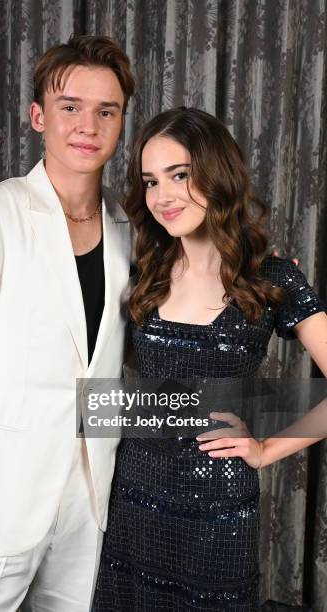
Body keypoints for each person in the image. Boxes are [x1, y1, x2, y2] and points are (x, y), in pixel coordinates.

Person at [0, 35, 135, 611]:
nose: (87, 125)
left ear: (120, 124)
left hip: (88, 505)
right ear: (38, 116)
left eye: (105, 111)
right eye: (70, 107)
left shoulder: (127, 228)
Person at [92, 107, 327, 611]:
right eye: (151, 181)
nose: (163, 196)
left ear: (217, 173)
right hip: (132, 500)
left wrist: (265, 449)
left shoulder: (272, 276)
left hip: (216, 514)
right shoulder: (141, 270)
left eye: (180, 175)